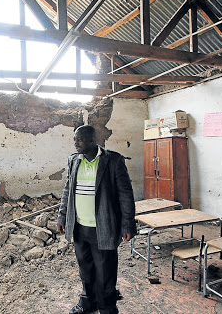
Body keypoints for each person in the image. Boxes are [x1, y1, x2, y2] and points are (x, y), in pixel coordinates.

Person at [57, 125, 136, 314]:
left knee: (105, 272)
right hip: (79, 226)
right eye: (75, 139)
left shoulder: (113, 160)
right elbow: (68, 190)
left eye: (80, 140)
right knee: (86, 269)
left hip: (104, 227)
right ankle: (87, 303)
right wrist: (62, 215)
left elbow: (125, 194)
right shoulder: (73, 160)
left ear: (92, 140)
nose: (75, 143)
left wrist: (127, 223)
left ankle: (107, 307)